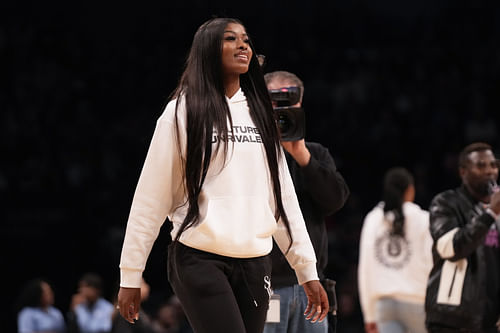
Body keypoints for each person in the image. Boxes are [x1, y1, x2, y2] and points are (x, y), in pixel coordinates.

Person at [116, 17, 328, 333]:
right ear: (208, 50)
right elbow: (151, 196)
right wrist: (131, 274)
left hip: (256, 262)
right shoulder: (182, 110)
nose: (243, 45)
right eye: (230, 38)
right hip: (199, 258)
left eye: (245, 39)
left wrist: (306, 268)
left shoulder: (261, 115)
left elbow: (282, 198)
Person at [262, 70, 349, 333]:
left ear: (300, 105)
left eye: (290, 101)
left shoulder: (315, 153)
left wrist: (301, 155)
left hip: (310, 284)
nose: (282, 109)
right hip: (266, 286)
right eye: (275, 101)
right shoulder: (249, 152)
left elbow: (335, 201)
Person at [425, 142, 500, 333]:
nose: (490, 170)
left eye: (493, 165)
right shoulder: (445, 203)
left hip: (489, 322)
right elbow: (450, 248)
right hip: (452, 321)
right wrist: (490, 214)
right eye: (481, 165)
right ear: (463, 172)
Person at [357, 167, 433, 333]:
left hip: (385, 305)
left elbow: (366, 270)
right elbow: (432, 266)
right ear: (410, 190)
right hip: (418, 302)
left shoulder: (373, 219)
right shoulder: (424, 219)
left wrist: (369, 315)